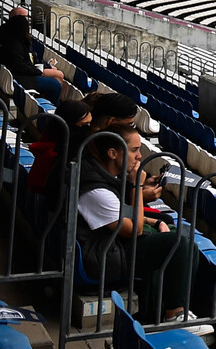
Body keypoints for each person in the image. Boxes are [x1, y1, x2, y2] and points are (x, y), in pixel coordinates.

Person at [76, 124, 205, 330]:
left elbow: (121, 212)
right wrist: (136, 186)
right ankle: (174, 315)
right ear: (113, 153)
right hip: (104, 256)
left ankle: (173, 309)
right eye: (135, 150)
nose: (139, 156)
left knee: (186, 242)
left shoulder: (104, 175)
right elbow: (133, 229)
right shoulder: (96, 190)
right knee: (178, 245)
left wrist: (156, 221)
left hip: (113, 245)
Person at [0, 6, 66, 94]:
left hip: (23, 72)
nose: (27, 20)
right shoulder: (14, 42)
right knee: (56, 81)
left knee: (57, 76)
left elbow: (31, 57)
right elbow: (20, 65)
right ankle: (54, 104)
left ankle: (52, 100)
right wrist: (38, 72)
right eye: (23, 17)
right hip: (21, 77)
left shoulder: (9, 37)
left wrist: (46, 67)